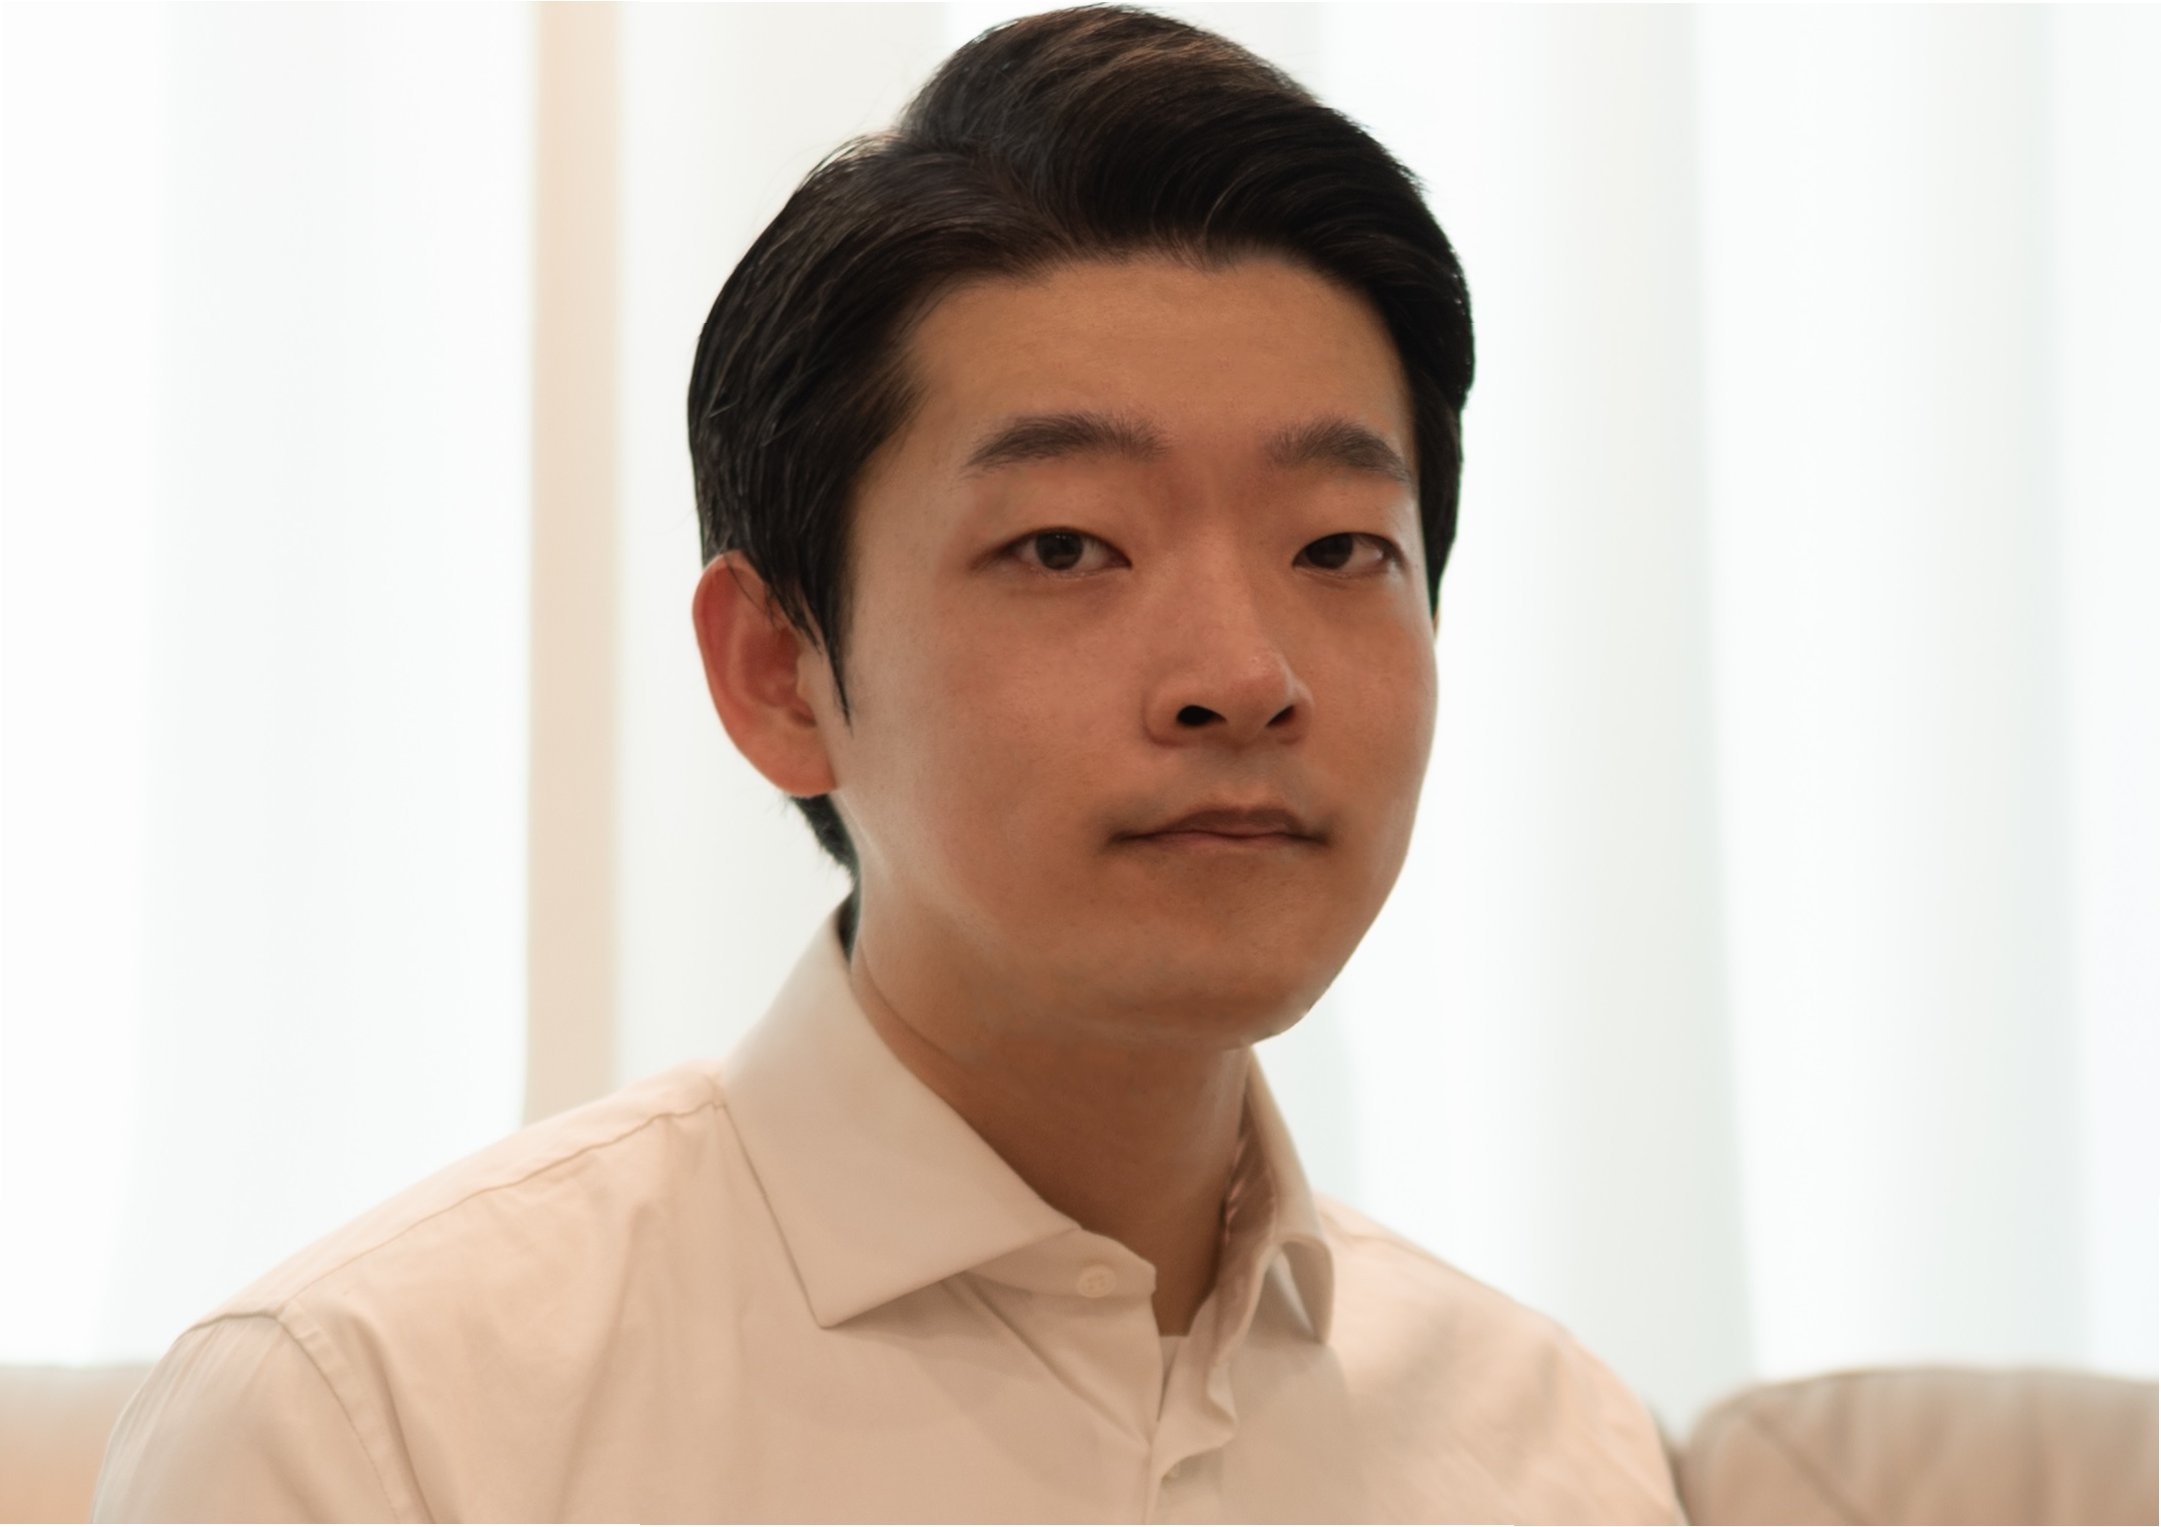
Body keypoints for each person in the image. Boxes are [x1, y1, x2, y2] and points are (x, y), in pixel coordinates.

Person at [95, 7, 1682, 1521]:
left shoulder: (1552, 1446)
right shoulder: (383, 1423)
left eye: (1338, 549)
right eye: (1065, 546)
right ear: (777, 672)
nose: (1243, 678)